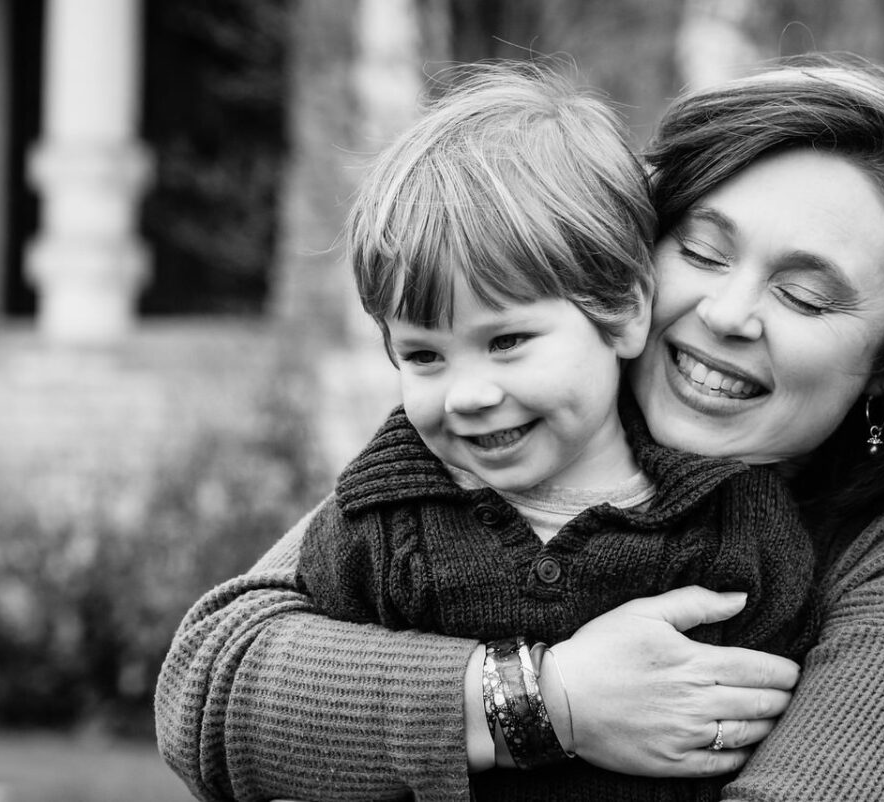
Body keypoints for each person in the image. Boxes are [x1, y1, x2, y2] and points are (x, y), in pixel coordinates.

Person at [155, 54, 884, 802]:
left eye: (804, 294)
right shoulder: (516, 435)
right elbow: (216, 678)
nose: (726, 312)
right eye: (701, 251)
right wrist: (545, 699)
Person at [294, 61, 817, 797]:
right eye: (423, 355)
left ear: (627, 311)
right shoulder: (379, 524)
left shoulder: (734, 527)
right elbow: (300, 742)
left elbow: (772, 740)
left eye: (507, 341)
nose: (469, 394)